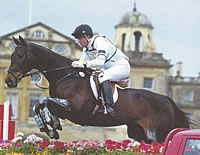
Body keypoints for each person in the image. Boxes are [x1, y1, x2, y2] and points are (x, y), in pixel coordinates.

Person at [71, 24, 130, 116]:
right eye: (77, 38)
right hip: (109, 67)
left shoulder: (100, 42)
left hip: (121, 66)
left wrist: (83, 64)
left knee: (102, 76)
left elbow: (100, 61)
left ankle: (109, 106)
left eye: (79, 38)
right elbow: (82, 63)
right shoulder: (86, 49)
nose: (78, 41)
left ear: (88, 37)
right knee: (92, 76)